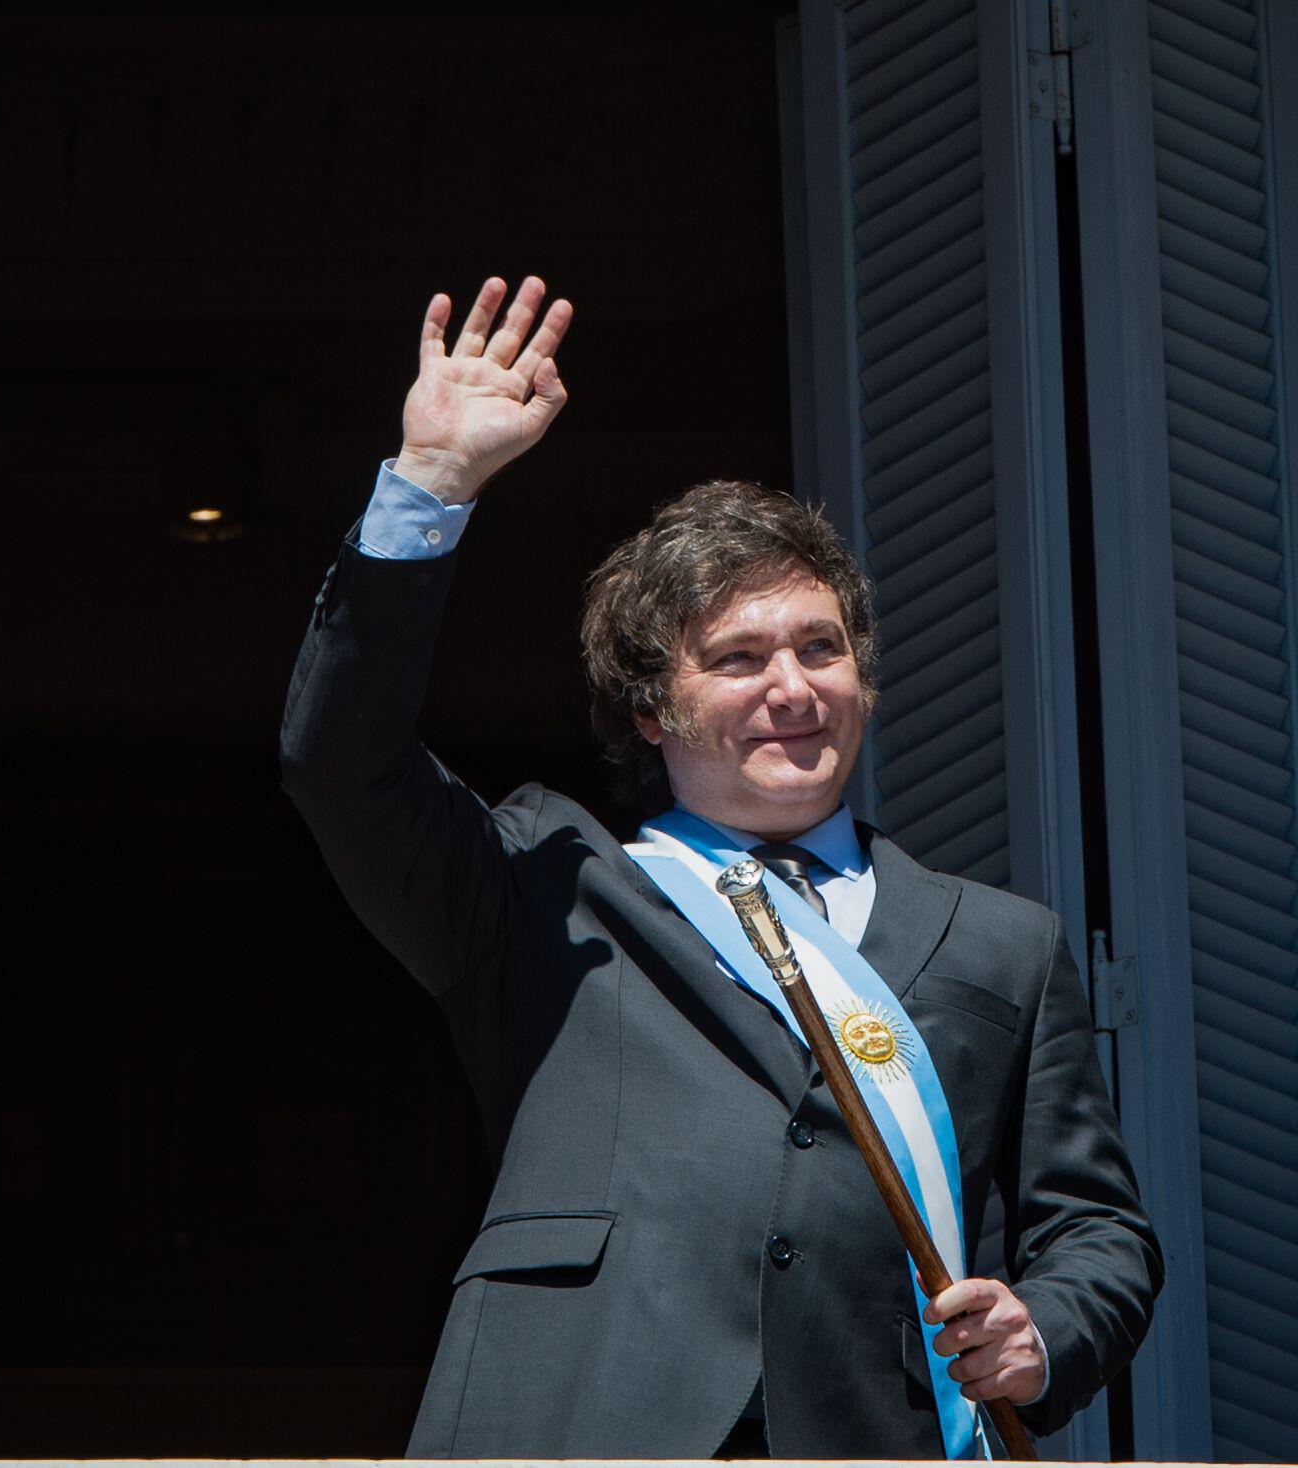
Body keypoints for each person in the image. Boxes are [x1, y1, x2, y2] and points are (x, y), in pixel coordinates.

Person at [279, 276, 1161, 1459]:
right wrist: (429, 485)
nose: (793, 688)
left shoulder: (1003, 943)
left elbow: (1099, 1231)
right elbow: (341, 759)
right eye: (739, 659)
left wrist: (1042, 1329)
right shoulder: (540, 888)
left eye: (821, 648)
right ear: (652, 708)